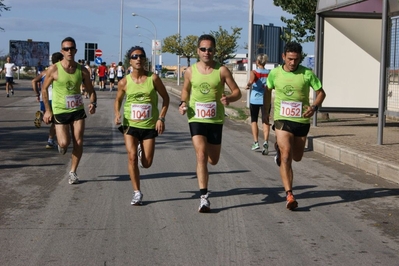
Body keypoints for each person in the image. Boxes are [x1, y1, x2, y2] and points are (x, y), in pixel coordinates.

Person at [178, 34, 242, 213]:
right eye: (203, 49)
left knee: (213, 160)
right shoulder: (190, 71)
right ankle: (204, 198)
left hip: (215, 119)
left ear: (215, 51)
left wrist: (229, 97)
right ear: (198, 51)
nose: (207, 52)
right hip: (196, 117)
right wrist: (183, 103)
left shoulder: (221, 70)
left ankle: (205, 172)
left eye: (210, 49)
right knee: (200, 155)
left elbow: (237, 92)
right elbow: (185, 90)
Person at [265, 42, 326, 210]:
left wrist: (314, 107)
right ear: (283, 56)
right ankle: (289, 195)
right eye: (290, 59)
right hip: (282, 120)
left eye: (296, 59)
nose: (293, 63)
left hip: (301, 121)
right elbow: (267, 91)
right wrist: (265, 113)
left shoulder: (307, 74)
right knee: (286, 156)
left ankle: (279, 148)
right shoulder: (275, 73)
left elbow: (321, 93)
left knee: (297, 157)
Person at [114, 46, 169, 206]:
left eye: (141, 56)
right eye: (134, 56)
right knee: (131, 157)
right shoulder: (124, 81)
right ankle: (137, 192)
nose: (138, 59)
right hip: (130, 125)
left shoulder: (153, 79)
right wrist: (117, 113)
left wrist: (161, 118)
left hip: (149, 125)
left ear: (144, 60)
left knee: (146, 163)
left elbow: (165, 98)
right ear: (130, 61)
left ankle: (141, 152)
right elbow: (117, 100)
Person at [41, 37, 97, 185]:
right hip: (60, 110)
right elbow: (44, 88)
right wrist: (47, 110)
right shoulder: (54, 69)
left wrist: (93, 102)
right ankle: (61, 145)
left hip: (77, 110)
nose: (69, 51)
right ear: (62, 51)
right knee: (65, 143)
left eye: (71, 48)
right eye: (66, 49)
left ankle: (73, 172)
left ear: (76, 50)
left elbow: (91, 90)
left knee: (78, 141)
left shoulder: (82, 70)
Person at [32, 52, 64, 148]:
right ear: (59, 61)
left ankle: (41, 117)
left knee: (48, 119)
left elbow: (33, 81)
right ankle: (50, 141)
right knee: (55, 121)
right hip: (54, 98)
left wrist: (37, 93)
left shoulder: (44, 72)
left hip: (44, 98)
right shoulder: (58, 72)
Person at [246, 53, 271, 155]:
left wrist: (248, 85)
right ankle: (266, 141)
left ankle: (256, 142)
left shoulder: (254, 72)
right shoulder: (269, 73)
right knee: (265, 120)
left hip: (254, 100)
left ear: (257, 62)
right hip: (265, 100)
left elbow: (251, 81)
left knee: (254, 120)